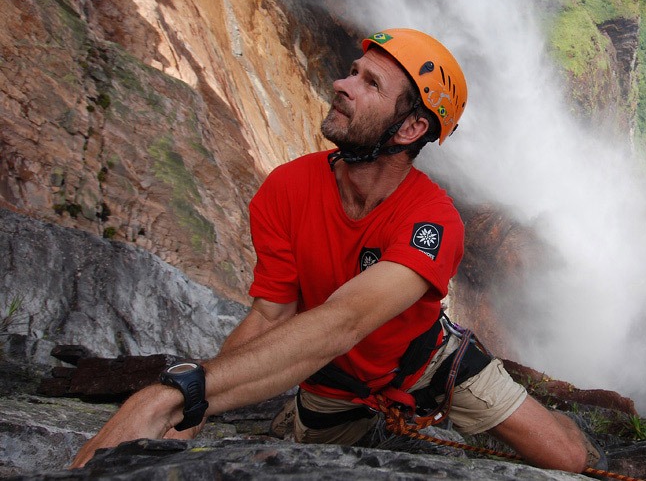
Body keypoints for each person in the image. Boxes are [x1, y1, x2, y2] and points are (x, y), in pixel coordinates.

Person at [70, 28, 602, 474]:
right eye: (352, 71)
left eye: (369, 83)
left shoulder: (432, 220)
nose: (340, 84)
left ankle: (560, 424)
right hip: (331, 378)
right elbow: (270, 312)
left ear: (413, 127)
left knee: (568, 458)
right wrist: (192, 411)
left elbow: (345, 320)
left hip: (425, 362)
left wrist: (177, 391)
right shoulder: (285, 189)